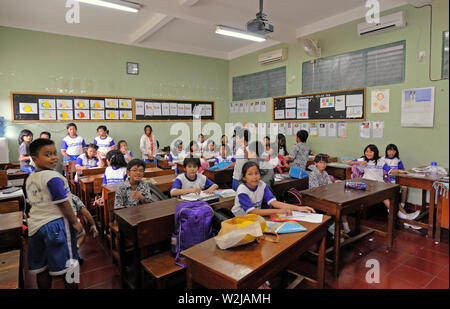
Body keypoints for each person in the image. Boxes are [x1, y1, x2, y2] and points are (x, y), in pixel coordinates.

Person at [25, 138, 83, 289]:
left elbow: (32, 202)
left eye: (55, 153)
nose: (54, 157)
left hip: (35, 227)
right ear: (34, 158)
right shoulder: (53, 177)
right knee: (71, 263)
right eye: (48, 154)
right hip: (56, 225)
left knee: (42, 267)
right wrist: (76, 222)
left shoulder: (30, 178)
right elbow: (63, 203)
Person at [231, 161, 315, 217]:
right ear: (244, 178)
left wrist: (300, 208)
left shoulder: (262, 185)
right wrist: (278, 211)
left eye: (257, 173)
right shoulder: (242, 190)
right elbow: (252, 212)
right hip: (239, 220)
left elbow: (274, 203)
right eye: (250, 174)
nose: (254, 177)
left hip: (254, 219)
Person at [309, 154, 350, 239]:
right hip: (316, 199)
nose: (323, 165)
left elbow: (329, 184)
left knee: (341, 207)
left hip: (325, 196)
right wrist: (327, 188)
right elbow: (315, 189)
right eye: (320, 162)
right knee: (336, 209)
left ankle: (346, 230)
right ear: (315, 163)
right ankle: (335, 232)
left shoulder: (325, 173)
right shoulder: (313, 174)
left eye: (324, 163)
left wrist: (335, 182)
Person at [383, 144, 420, 226]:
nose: (391, 152)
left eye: (393, 150)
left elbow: (402, 171)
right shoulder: (383, 160)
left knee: (405, 187)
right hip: (386, 180)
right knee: (393, 191)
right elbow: (388, 172)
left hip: (396, 180)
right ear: (386, 151)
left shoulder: (398, 160)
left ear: (396, 152)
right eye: (389, 150)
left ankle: (402, 205)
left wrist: (402, 174)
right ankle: (403, 214)